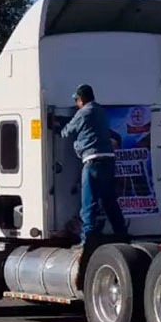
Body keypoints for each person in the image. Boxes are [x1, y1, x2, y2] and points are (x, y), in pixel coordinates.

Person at [57, 84, 128, 245]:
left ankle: (88, 239)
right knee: (110, 201)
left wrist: (58, 126)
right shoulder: (100, 111)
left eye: (77, 100)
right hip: (109, 161)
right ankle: (122, 234)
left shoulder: (83, 113)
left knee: (89, 203)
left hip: (93, 162)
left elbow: (67, 131)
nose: (76, 103)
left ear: (81, 99)